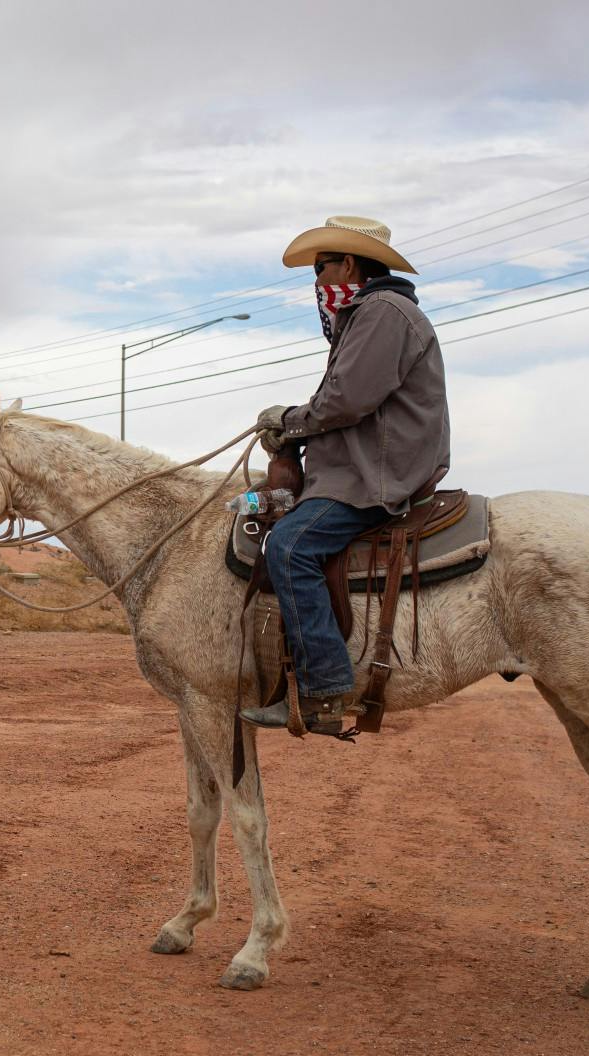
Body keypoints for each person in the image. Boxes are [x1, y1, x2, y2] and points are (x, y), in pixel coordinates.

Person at [240, 215, 451, 737]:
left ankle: (325, 689)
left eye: (321, 268)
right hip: (356, 467)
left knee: (289, 547)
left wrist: (288, 421)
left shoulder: (381, 312)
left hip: (370, 476)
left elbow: (347, 400)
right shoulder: (369, 315)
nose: (315, 282)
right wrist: (295, 430)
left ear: (349, 264)